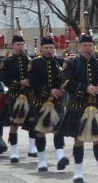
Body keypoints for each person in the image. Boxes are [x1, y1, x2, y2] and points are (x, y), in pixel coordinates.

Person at [56, 34, 98, 183]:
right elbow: (65, 82)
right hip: (78, 106)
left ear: (94, 47)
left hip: (97, 106)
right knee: (79, 140)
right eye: (84, 46)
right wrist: (85, 88)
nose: (88, 48)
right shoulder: (71, 63)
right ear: (79, 47)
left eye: (90, 45)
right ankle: (78, 172)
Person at [25, 36, 69, 172]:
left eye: (51, 48)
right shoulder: (35, 63)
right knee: (40, 132)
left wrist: (64, 87)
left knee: (59, 130)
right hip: (40, 102)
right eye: (47, 48)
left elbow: (68, 78)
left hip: (58, 103)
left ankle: (60, 157)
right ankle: (42, 160)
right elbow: (34, 83)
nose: (50, 50)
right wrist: (50, 90)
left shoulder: (61, 62)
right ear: (41, 49)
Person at [0, 35, 34, 161]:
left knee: (32, 122)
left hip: (29, 96)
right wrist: (20, 83)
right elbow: (4, 79)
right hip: (14, 95)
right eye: (18, 45)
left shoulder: (30, 60)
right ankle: (14, 152)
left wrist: (31, 81)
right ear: (12, 46)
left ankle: (32, 148)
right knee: (14, 124)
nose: (20, 47)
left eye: (22, 44)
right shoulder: (7, 61)